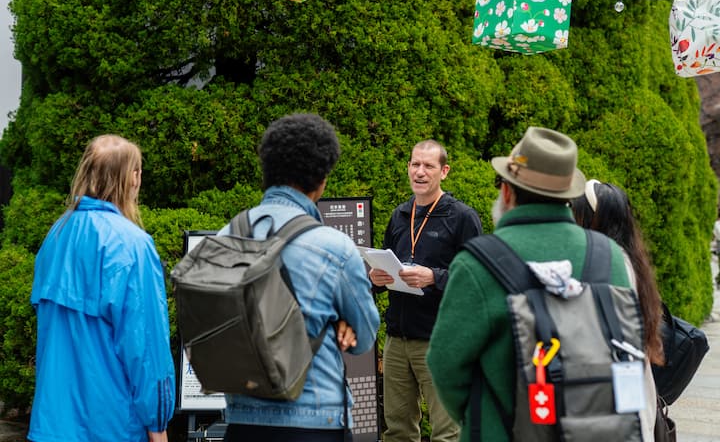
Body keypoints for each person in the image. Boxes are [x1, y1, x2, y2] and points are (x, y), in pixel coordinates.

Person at [427, 126, 651, 442]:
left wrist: (485, 416)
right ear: (567, 196)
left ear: (508, 192)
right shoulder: (609, 256)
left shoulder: (476, 263)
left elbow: (445, 363)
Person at [219, 113, 380, 442]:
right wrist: (339, 323)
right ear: (321, 179)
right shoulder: (334, 248)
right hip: (314, 420)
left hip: (242, 419)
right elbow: (364, 338)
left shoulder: (226, 237)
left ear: (267, 170)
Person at [29, 135, 175, 442]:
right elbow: (146, 347)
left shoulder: (56, 236)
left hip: (51, 426)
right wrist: (157, 425)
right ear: (132, 178)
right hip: (112, 426)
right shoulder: (133, 245)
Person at [369, 139, 483, 442]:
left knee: (447, 433)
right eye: (415, 164)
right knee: (397, 432)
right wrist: (376, 278)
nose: (420, 172)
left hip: (440, 341)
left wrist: (434, 277)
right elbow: (386, 268)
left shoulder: (462, 217)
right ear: (408, 167)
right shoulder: (399, 215)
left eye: (429, 166)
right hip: (397, 341)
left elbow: (478, 279)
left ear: (444, 171)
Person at [572, 179, 662, 438]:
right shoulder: (630, 260)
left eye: (576, 212)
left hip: (616, 392)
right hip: (631, 385)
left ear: (594, 219)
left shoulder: (612, 266)